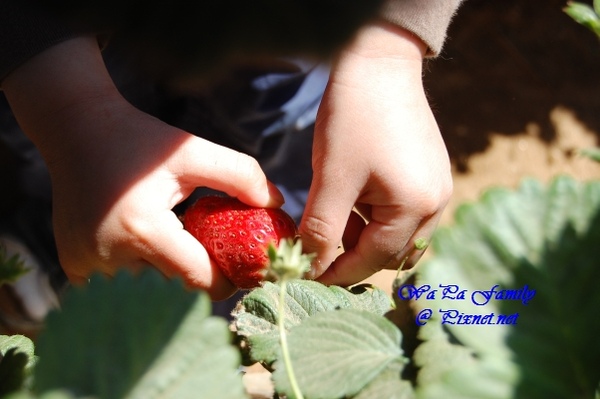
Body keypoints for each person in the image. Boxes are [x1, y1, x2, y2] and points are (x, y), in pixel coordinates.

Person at [0, 0, 461, 302]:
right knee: (73, 173)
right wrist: (70, 119)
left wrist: (385, 50)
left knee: (286, 125)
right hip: (60, 27)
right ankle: (51, 239)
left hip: (283, 27)